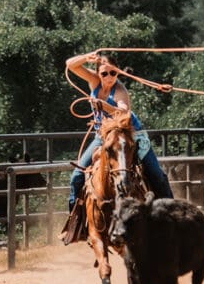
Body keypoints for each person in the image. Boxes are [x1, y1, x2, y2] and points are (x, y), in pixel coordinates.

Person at [64, 52, 173, 214]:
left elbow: (123, 112)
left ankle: (172, 213)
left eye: (113, 73)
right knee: (77, 176)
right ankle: (75, 219)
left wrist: (103, 105)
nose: (109, 77)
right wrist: (88, 57)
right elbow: (70, 64)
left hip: (131, 135)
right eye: (105, 73)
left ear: (118, 72)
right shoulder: (94, 81)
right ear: (98, 73)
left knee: (156, 175)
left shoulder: (120, 90)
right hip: (103, 136)